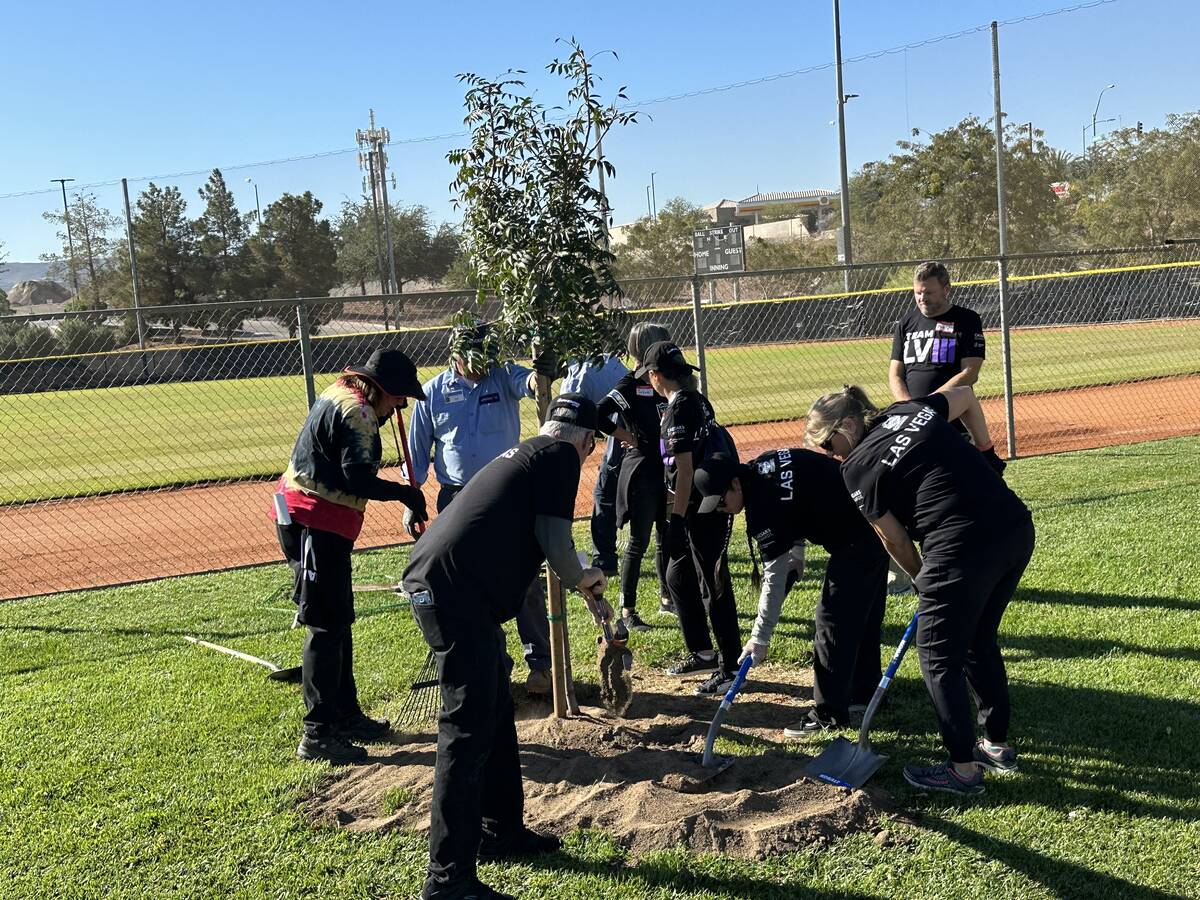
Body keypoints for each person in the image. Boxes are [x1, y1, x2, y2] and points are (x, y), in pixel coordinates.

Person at [402, 393, 613, 900]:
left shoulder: (529, 453)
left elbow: (542, 538)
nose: (589, 455)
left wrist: (577, 575)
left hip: (452, 589)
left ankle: (501, 832)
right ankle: (447, 880)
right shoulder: (559, 457)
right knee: (466, 734)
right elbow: (558, 546)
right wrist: (587, 577)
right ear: (586, 439)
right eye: (594, 446)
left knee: (496, 712)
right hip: (455, 597)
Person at [806, 383, 1035, 796]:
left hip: (960, 545)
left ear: (851, 424)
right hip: (1014, 528)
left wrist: (919, 576)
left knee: (936, 654)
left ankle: (962, 770)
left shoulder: (855, 466)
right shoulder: (909, 409)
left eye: (828, 442)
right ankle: (995, 746)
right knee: (977, 638)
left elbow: (892, 538)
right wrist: (985, 452)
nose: (830, 453)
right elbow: (964, 396)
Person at [270, 349, 429, 765]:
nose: (403, 405)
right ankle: (319, 733)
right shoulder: (358, 412)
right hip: (312, 522)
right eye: (400, 397)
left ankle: (346, 714)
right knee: (325, 624)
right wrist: (405, 494)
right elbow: (356, 477)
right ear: (382, 390)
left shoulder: (342, 394)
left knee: (339, 619)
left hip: (318, 521)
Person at [406, 321, 558, 695]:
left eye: (485, 357)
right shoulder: (432, 393)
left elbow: (530, 385)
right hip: (455, 498)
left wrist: (542, 372)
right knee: (466, 582)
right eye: (472, 358)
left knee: (523, 578)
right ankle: (494, 664)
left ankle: (541, 664)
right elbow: (416, 454)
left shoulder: (503, 376)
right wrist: (412, 501)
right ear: (454, 355)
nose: (479, 366)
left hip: (507, 495)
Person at [693, 449, 889, 736]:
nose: (721, 509)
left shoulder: (761, 506)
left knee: (831, 619)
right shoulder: (762, 469)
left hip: (858, 534)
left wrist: (760, 638)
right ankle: (866, 694)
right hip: (875, 519)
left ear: (735, 483)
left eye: (720, 501)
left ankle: (829, 713)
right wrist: (797, 550)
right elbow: (797, 497)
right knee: (862, 615)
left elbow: (774, 577)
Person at [887, 261, 1004, 594]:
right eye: (918, 293)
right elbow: (895, 373)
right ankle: (905, 572)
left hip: (949, 422)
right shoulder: (906, 322)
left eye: (930, 292)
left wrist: (934, 406)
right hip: (910, 421)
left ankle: (971, 560)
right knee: (903, 495)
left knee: (957, 494)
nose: (923, 299)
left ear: (947, 289)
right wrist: (910, 407)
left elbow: (970, 373)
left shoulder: (967, 320)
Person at [636, 340, 742, 695]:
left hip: (702, 508)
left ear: (654, 376)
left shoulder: (679, 409)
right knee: (677, 575)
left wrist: (678, 519)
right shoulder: (691, 400)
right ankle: (703, 651)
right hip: (692, 503)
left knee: (712, 583)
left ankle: (730, 664)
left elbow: (684, 469)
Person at [595, 323, 675, 630]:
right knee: (638, 541)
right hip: (641, 471)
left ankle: (668, 598)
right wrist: (625, 433)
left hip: (666, 468)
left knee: (665, 538)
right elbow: (598, 413)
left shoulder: (665, 382)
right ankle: (628, 610)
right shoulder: (631, 383)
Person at [561, 351, 630, 577]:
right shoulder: (609, 360)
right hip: (631, 427)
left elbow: (571, 419)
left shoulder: (579, 370)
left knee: (604, 492)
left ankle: (604, 560)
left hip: (624, 431)